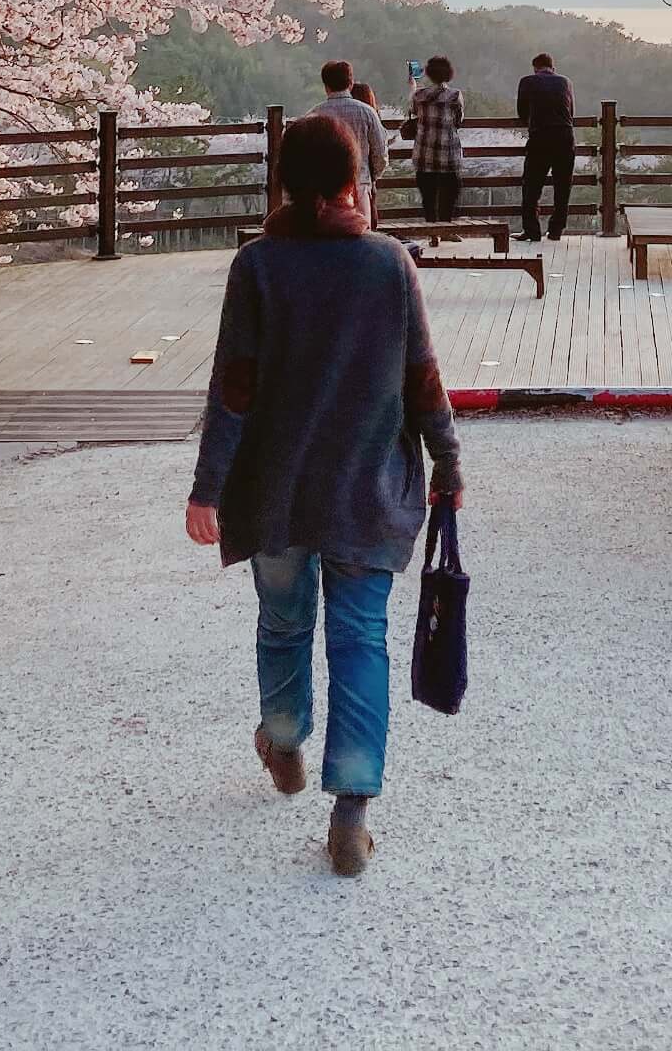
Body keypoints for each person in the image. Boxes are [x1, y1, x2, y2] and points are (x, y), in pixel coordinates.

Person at [187, 115, 465, 873]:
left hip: (275, 494)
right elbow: (424, 380)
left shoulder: (258, 268)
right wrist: (448, 462)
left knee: (282, 625)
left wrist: (207, 489)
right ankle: (351, 807)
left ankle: (282, 738)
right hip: (367, 494)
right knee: (358, 638)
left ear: (282, 184)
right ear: (354, 184)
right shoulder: (389, 265)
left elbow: (232, 391)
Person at [311, 61, 389, 229]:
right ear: (350, 83)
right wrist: (371, 175)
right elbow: (380, 152)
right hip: (360, 184)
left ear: (326, 85)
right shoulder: (367, 112)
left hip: (325, 191)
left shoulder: (315, 114)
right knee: (362, 236)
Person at [515, 52, 575, 242]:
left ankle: (532, 231)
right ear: (553, 68)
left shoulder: (527, 81)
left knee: (531, 186)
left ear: (535, 68)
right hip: (565, 137)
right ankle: (556, 230)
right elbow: (571, 112)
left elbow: (522, 112)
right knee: (562, 186)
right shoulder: (566, 82)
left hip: (540, 137)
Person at [409, 56, 464, 221]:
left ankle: (433, 232)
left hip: (424, 155)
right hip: (448, 156)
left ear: (428, 73)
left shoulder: (419, 96)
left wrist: (412, 86)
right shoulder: (455, 95)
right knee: (449, 197)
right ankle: (446, 228)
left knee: (428, 198)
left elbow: (412, 109)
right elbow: (458, 121)